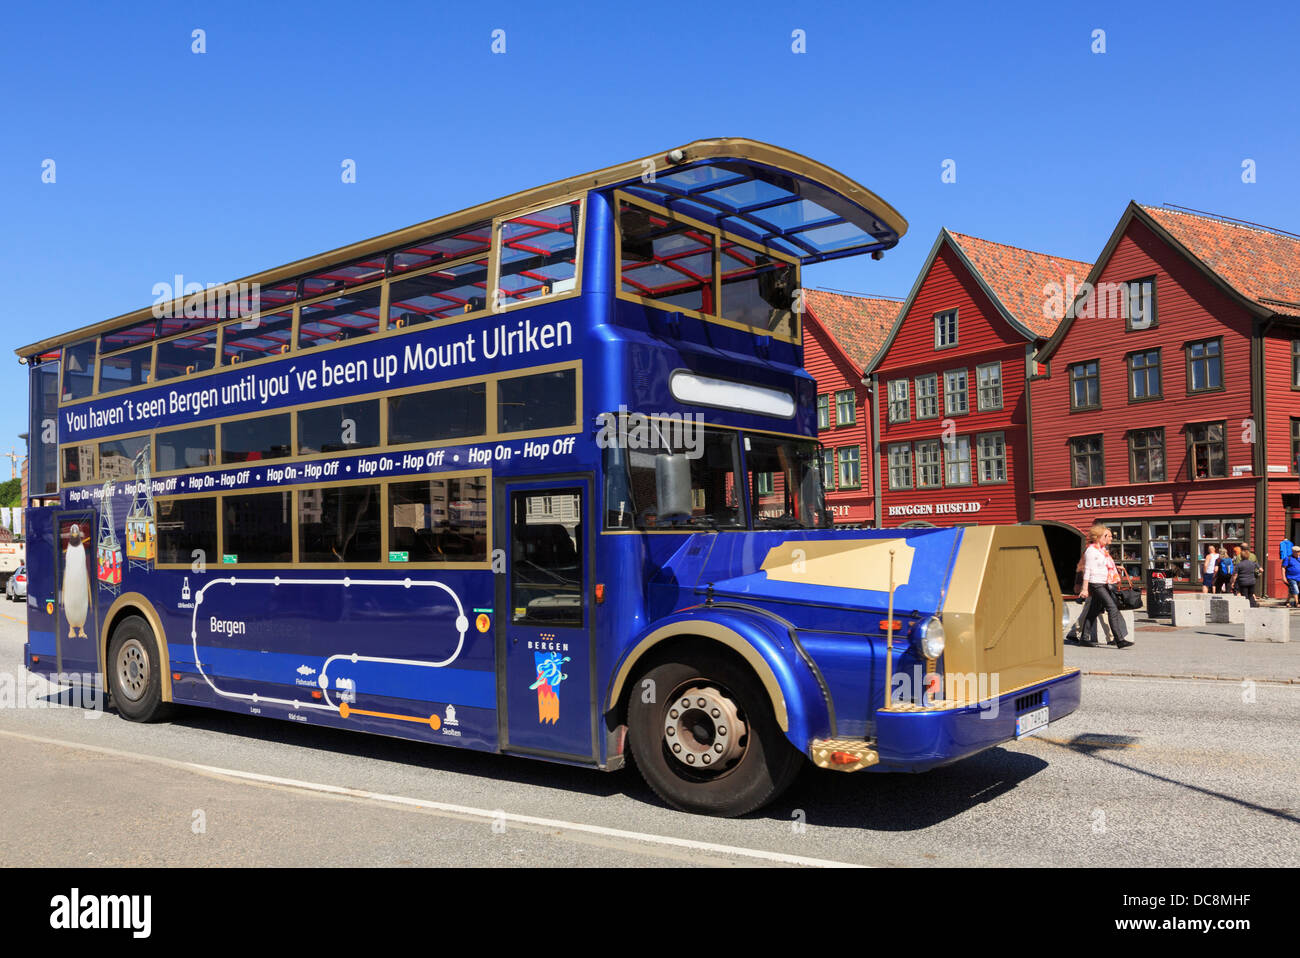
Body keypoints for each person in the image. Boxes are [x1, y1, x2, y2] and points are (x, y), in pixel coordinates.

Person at [1081, 523, 1133, 648]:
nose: (1111, 539)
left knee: (1093, 611)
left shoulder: (1102, 551)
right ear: (1100, 536)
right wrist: (1084, 589)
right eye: (1108, 536)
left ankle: (1084, 638)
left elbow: (1103, 566)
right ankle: (1119, 640)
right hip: (1096, 584)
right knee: (1112, 608)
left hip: (1104, 583)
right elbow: (1087, 570)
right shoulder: (1091, 551)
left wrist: (1115, 567)